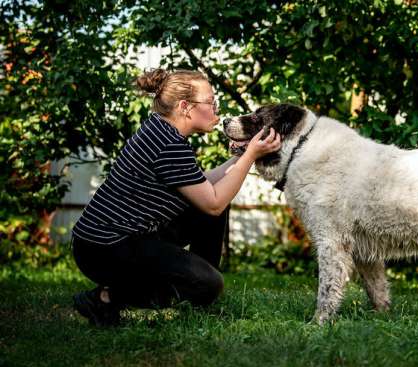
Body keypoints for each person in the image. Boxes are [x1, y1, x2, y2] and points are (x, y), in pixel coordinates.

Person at [71, 68, 281, 326]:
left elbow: (204, 186)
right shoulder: (168, 143)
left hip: (117, 238)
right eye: (210, 102)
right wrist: (250, 156)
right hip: (105, 248)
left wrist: (244, 153)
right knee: (207, 283)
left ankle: (197, 296)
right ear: (185, 107)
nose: (216, 109)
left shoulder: (162, 131)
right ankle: (104, 298)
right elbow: (213, 203)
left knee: (209, 214)